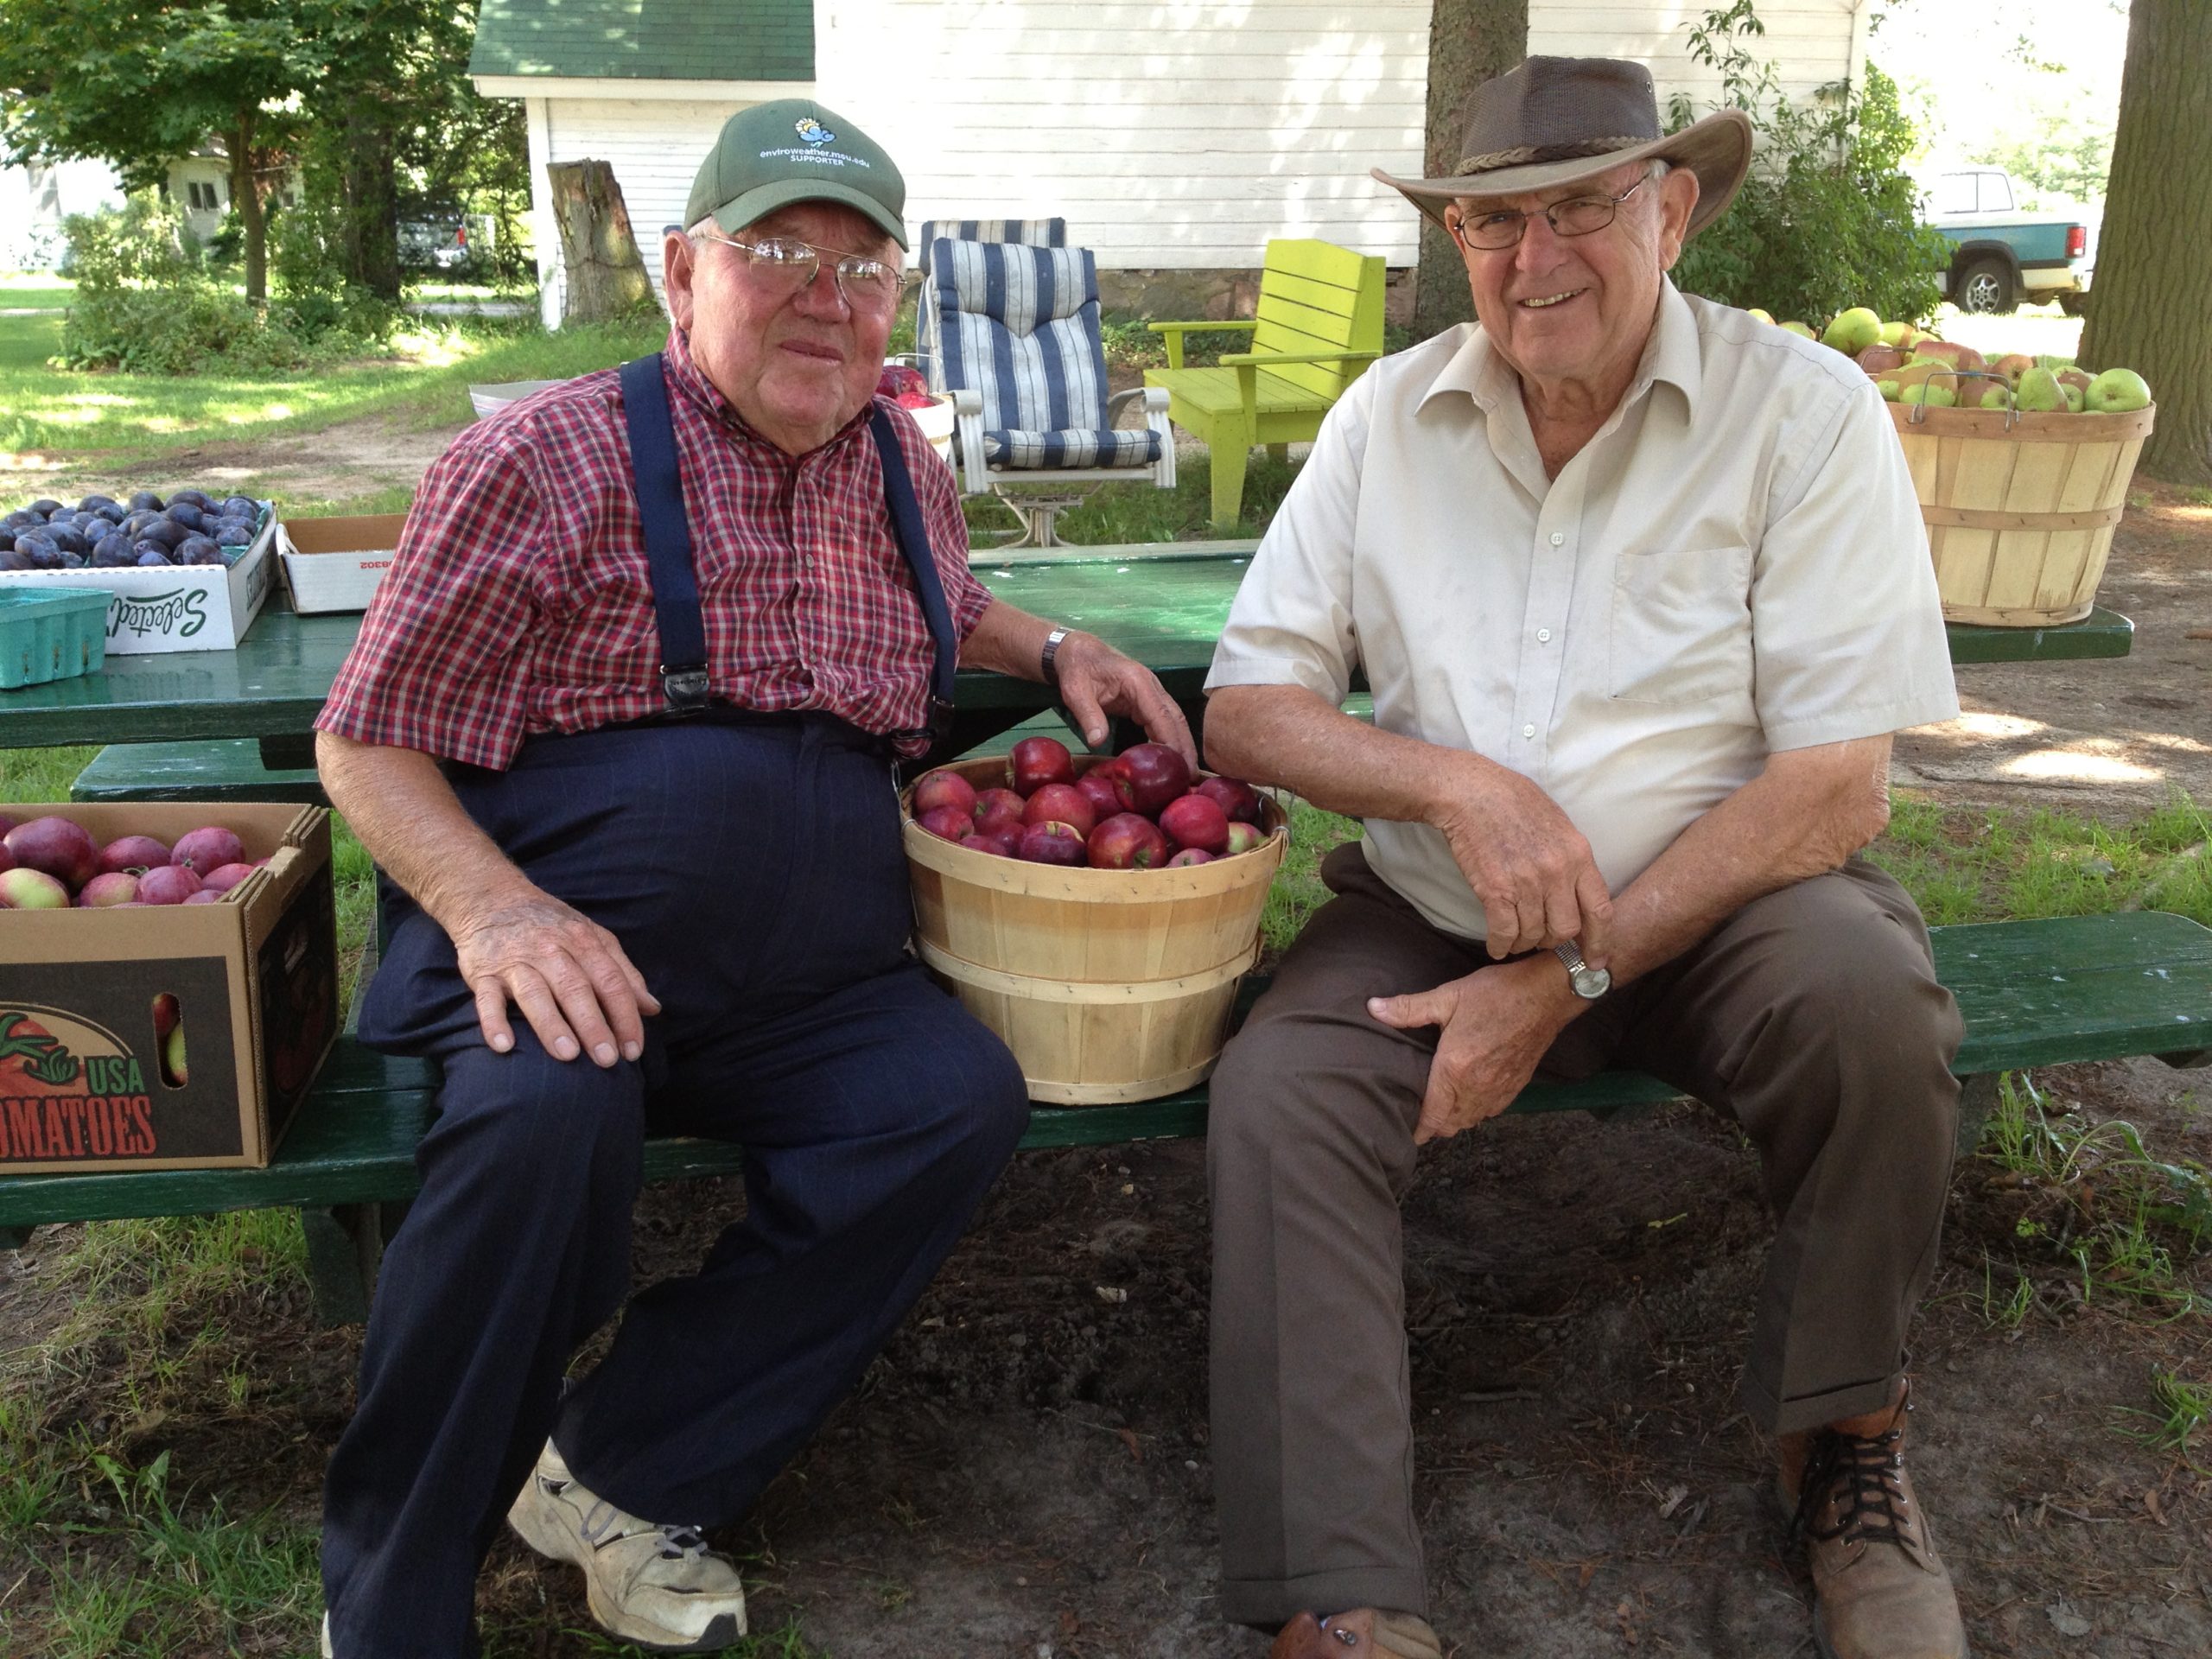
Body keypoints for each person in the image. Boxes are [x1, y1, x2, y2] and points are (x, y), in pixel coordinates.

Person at [311, 98, 1193, 1659]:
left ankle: (619, 1473)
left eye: (862, 269)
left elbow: (946, 599)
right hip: (563, 955)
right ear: (681, 272)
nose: (822, 298)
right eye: (778, 251)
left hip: (807, 983)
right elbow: (368, 739)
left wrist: (1053, 643)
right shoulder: (538, 458)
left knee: (948, 1103)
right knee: (538, 1130)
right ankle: (393, 1598)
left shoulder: (899, 464)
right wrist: (498, 911)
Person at [1200, 56, 1969, 1659]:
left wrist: (1563, 978)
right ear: (1457, 240)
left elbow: (1838, 788)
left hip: (1728, 911)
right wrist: (1458, 789)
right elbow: (1250, 708)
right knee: (1285, 1087)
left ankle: (1842, 1445)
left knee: (1870, 1008)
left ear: (1672, 211)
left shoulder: (1803, 411)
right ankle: (1340, 1590)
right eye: (1495, 221)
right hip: (1433, 917)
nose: (1534, 258)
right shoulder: (1386, 419)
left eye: (1582, 209)